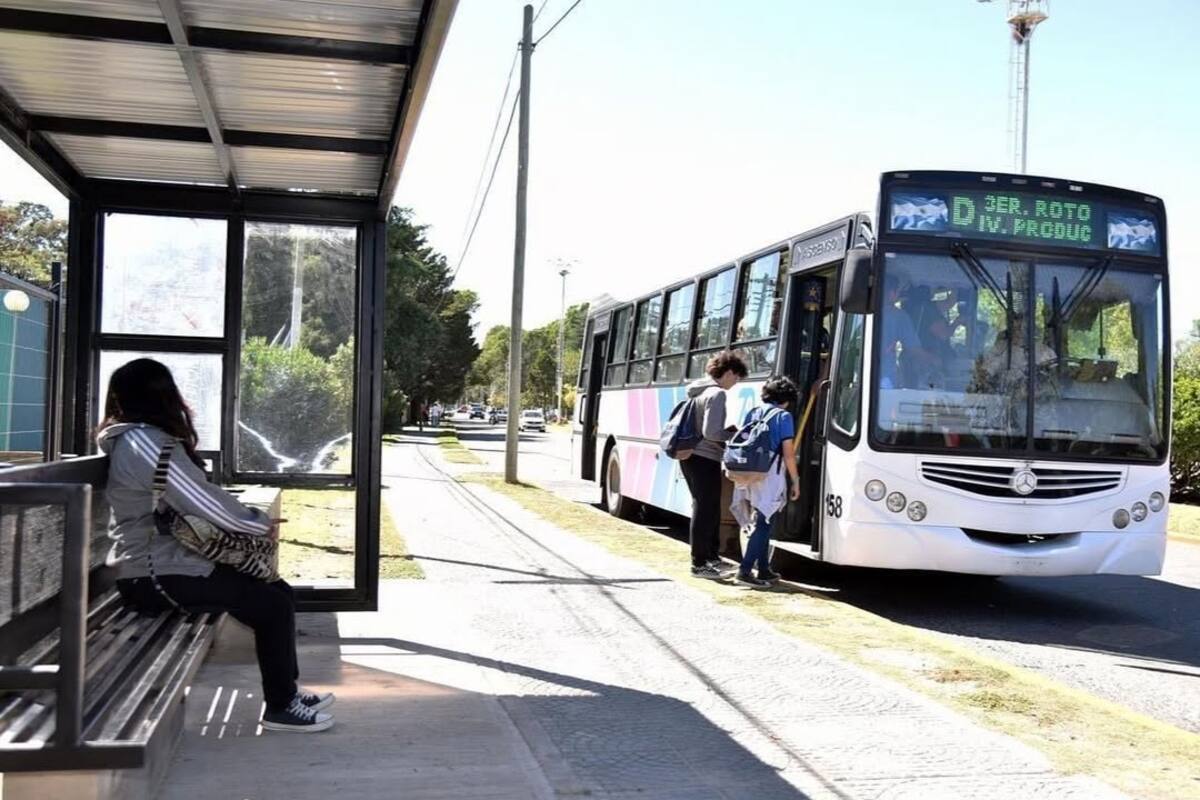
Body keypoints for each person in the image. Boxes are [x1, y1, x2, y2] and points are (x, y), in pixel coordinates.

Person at [97, 358, 335, 733]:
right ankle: (281, 707)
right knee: (271, 605)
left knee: (277, 591)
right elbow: (201, 500)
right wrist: (256, 524)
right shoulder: (145, 442)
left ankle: (286, 692)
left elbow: (194, 497)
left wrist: (251, 521)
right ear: (162, 395)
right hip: (152, 572)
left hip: (160, 564)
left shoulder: (139, 438)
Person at [680, 351, 748, 579]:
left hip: (692, 456)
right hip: (704, 456)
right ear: (728, 373)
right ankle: (700, 563)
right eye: (736, 378)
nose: (735, 383)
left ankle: (710, 559)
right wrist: (732, 434)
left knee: (707, 508)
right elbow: (711, 432)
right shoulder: (717, 394)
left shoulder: (698, 391)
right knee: (705, 509)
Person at [730, 376, 801, 588]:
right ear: (787, 398)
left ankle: (763, 569)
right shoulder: (783, 416)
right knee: (764, 522)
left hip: (749, 471)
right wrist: (795, 480)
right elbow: (788, 454)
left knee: (763, 520)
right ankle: (745, 571)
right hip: (769, 474)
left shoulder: (754, 411)